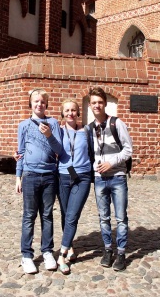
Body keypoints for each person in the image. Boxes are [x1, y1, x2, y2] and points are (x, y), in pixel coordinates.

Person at [15, 88, 63, 274]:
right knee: (29, 216)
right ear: (31, 103)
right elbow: (20, 153)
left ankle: (47, 251)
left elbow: (60, 149)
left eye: (42, 101)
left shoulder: (53, 123)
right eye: (36, 101)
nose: (39, 104)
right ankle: (26, 255)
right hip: (30, 175)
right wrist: (18, 176)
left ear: (46, 104)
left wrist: (49, 135)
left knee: (47, 215)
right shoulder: (24, 125)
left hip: (49, 175)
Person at [88, 87, 133, 271]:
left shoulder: (116, 123)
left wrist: (111, 163)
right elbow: (89, 154)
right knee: (103, 218)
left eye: (100, 102)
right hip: (99, 179)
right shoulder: (89, 129)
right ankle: (108, 250)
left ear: (105, 104)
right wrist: (95, 167)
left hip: (117, 178)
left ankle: (121, 253)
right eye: (94, 102)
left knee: (121, 218)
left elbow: (128, 150)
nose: (97, 105)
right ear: (90, 105)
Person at [56, 99, 93, 274]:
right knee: (65, 214)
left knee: (72, 215)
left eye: (73, 110)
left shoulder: (86, 131)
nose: (70, 113)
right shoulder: (58, 131)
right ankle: (69, 245)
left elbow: (95, 151)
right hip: (63, 176)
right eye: (67, 110)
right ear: (62, 113)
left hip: (82, 177)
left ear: (78, 113)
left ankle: (61, 255)